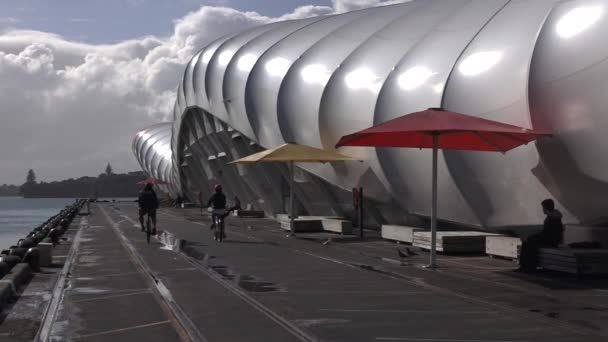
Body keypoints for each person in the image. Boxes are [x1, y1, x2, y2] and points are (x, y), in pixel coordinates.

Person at [519, 199, 564, 272]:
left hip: (551, 241)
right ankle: (525, 266)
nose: (542, 209)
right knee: (528, 241)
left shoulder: (553, 218)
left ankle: (528, 266)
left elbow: (548, 233)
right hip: (550, 239)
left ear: (546, 208)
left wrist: (533, 236)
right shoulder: (553, 216)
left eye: (543, 207)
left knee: (530, 242)